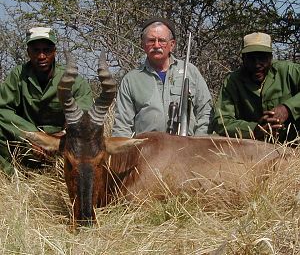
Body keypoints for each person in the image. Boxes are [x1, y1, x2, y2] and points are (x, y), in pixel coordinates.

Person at [0, 27, 93, 173]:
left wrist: (62, 134)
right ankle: (14, 177)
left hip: (60, 144)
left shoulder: (71, 78)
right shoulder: (18, 75)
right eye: (36, 50)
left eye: (47, 50)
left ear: (54, 51)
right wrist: (32, 136)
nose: (41, 56)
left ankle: (69, 174)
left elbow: (84, 108)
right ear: (28, 52)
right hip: (27, 142)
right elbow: (3, 109)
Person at [112, 17, 212, 137]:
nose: (156, 45)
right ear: (143, 44)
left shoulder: (190, 71)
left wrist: (198, 143)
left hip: (187, 149)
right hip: (147, 151)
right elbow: (122, 126)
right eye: (151, 40)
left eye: (162, 40)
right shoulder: (131, 80)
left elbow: (206, 112)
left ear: (172, 45)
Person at [210, 32, 300, 144]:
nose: (257, 64)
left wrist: (288, 108)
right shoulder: (232, 81)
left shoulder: (289, 71)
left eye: (262, 58)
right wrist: (254, 130)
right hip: (254, 152)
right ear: (243, 59)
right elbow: (221, 122)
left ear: (270, 57)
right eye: (251, 58)